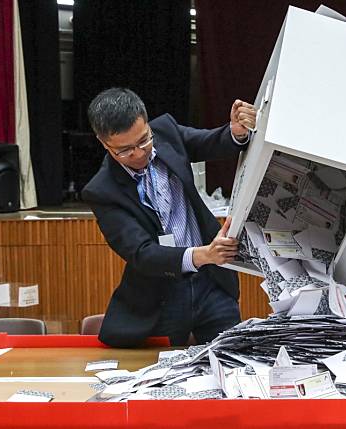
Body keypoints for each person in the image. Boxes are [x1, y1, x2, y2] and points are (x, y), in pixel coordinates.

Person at [82, 87, 256, 347]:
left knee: (231, 359)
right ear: (104, 142)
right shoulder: (102, 190)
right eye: (125, 150)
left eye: (143, 140)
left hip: (212, 284)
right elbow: (142, 253)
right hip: (161, 296)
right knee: (163, 373)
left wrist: (237, 132)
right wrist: (203, 254)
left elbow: (210, 142)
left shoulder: (165, 131)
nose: (140, 153)